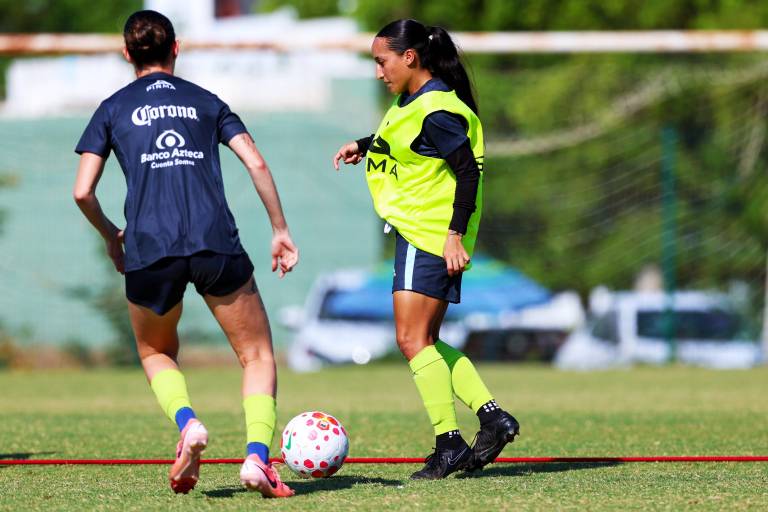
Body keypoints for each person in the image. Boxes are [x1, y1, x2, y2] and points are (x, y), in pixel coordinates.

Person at [73, 10, 296, 498]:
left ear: (128, 54)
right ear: (177, 49)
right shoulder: (206, 100)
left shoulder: (111, 108)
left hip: (149, 248)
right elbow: (255, 161)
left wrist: (114, 236)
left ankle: (189, 423)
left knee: (155, 351)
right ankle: (257, 458)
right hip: (216, 242)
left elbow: (83, 192)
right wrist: (279, 228)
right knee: (256, 354)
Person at [333, 19, 520, 480]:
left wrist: (454, 234)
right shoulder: (414, 102)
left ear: (409, 57)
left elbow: (468, 173)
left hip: (429, 235)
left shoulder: (437, 109)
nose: (379, 72)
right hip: (425, 234)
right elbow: (409, 144)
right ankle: (492, 416)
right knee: (425, 342)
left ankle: (449, 442)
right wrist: (364, 144)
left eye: (382, 61)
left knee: (411, 340)